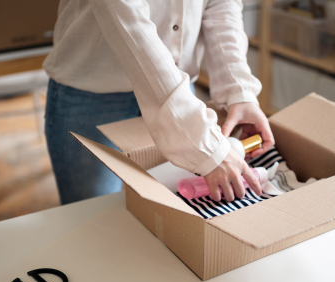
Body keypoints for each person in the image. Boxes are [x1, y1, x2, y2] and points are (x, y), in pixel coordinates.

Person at [42, 0, 275, 205]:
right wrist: (203, 144)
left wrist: (239, 89)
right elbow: (127, 19)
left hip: (179, 94)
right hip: (92, 94)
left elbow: (220, 4)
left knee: (169, 215)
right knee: (92, 216)